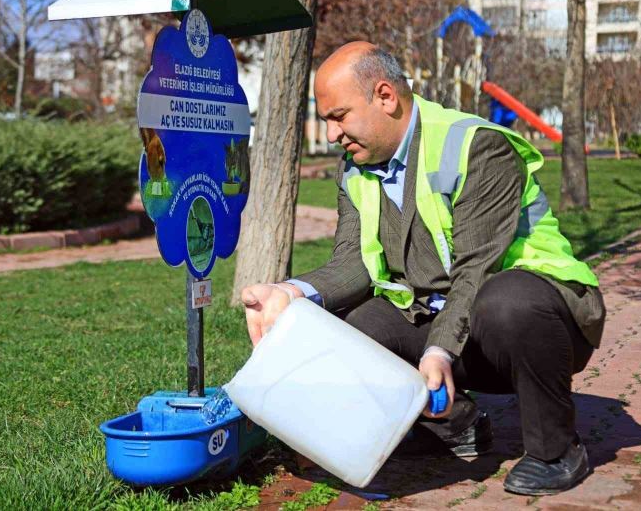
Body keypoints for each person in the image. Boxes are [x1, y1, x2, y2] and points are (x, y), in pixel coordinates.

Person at [241, 42, 606, 496]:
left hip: (534, 319)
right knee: (361, 325)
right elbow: (352, 263)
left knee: (507, 303)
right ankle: (453, 425)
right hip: (449, 321)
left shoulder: (476, 146)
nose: (331, 133)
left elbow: (477, 270)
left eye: (338, 116)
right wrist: (291, 293)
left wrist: (436, 354)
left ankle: (556, 450)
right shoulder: (355, 168)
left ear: (385, 97)